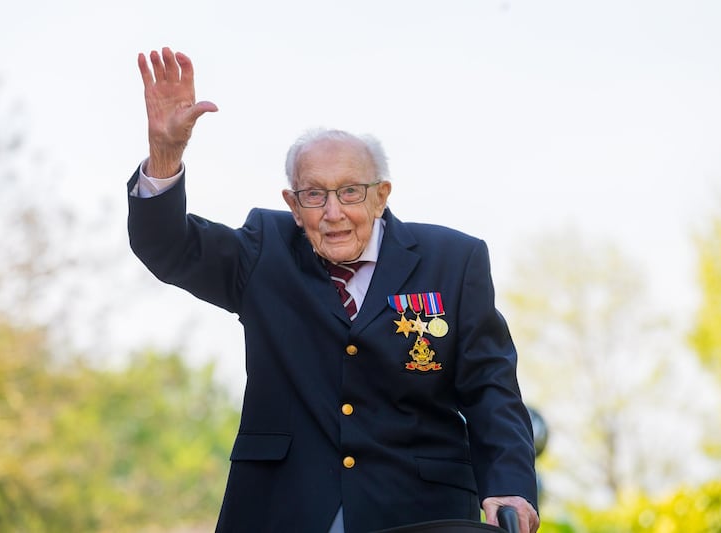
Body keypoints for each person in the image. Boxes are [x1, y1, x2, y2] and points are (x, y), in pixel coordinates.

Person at [127, 47, 540, 533]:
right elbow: (168, 247)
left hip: (419, 510)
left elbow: (490, 387)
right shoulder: (265, 249)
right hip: (281, 509)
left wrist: (510, 482)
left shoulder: (453, 260)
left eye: (350, 191)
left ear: (381, 195)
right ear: (293, 204)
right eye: (314, 194)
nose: (333, 211)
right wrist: (165, 155)